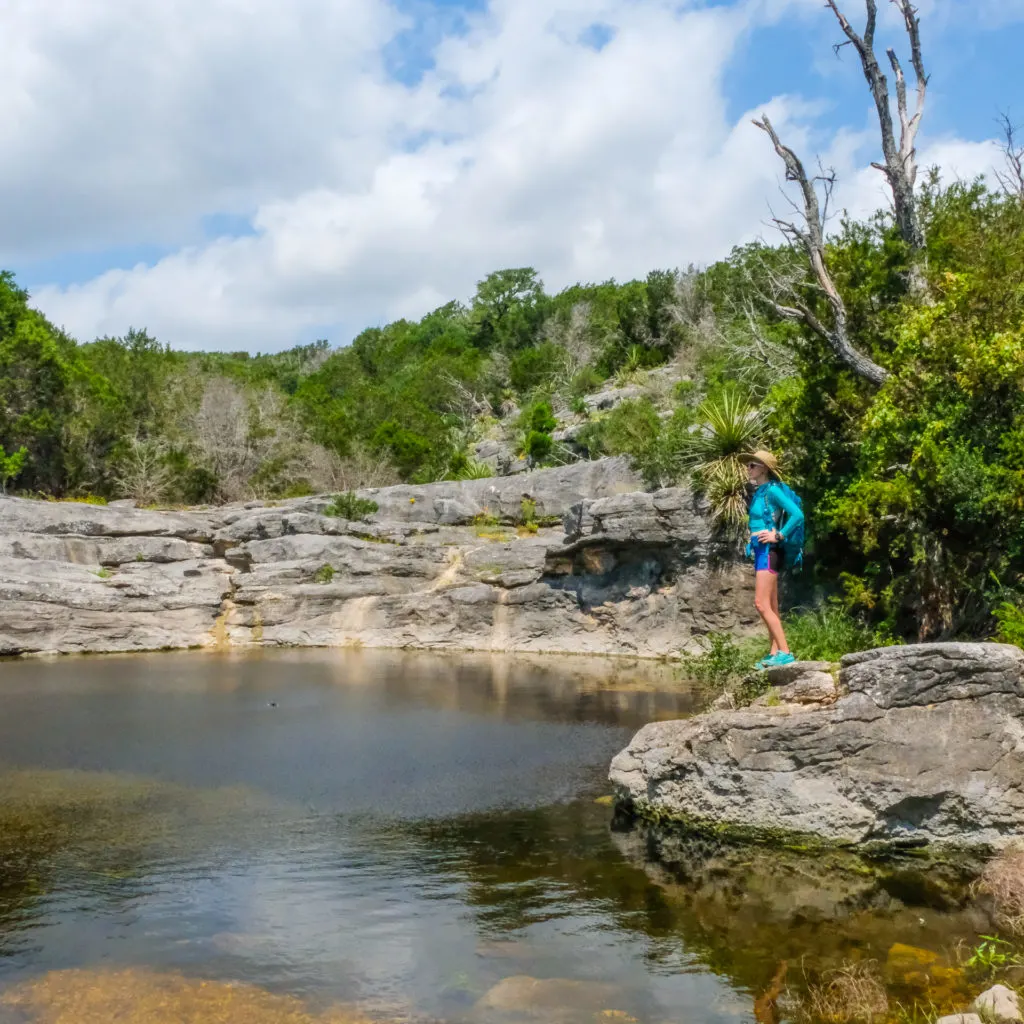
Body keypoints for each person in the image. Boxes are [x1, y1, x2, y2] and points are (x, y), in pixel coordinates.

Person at [743, 450, 804, 669]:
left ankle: (785, 652)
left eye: (752, 465)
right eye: (748, 465)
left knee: (760, 603)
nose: (748, 468)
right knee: (771, 605)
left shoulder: (773, 491)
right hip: (761, 551)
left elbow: (798, 515)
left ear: (764, 468)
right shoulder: (759, 492)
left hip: (769, 552)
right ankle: (774, 652)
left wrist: (778, 535)